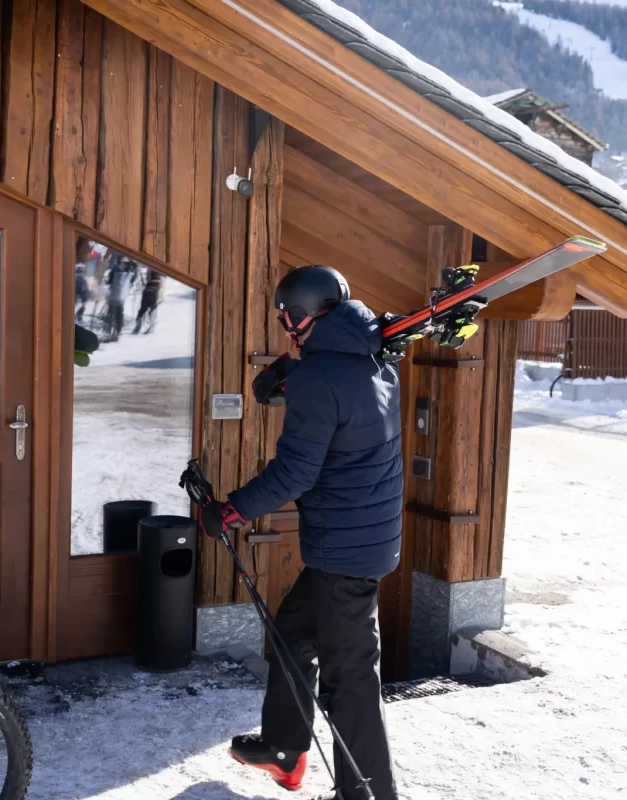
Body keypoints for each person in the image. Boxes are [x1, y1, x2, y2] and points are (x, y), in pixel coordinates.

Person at [205, 266, 402, 800]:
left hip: (345, 551)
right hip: (360, 540)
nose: (285, 327)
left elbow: (295, 472)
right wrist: (292, 376)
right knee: (293, 631)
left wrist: (231, 511)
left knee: (350, 680)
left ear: (302, 314)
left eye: (285, 317)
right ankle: (285, 748)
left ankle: (368, 795)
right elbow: (341, 403)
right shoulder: (378, 362)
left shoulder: (321, 378)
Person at [104, 255, 136, 342]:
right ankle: (117, 332)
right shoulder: (130, 272)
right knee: (119, 315)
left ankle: (109, 333)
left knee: (111, 315)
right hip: (121, 298)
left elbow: (108, 282)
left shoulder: (114, 271)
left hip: (112, 297)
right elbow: (133, 279)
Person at [133, 268, 164, 334]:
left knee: (142, 309)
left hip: (148, 289)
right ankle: (151, 326)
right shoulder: (159, 277)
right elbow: (161, 288)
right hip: (154, 290)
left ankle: (138, 326)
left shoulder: (151, 270)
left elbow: (148, 276)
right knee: (152, 308)